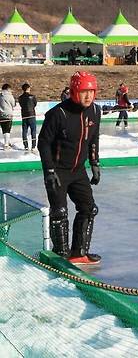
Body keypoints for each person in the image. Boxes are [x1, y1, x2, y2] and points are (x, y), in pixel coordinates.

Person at [37, 71, 103, 265]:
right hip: (57, 171)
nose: (88, 96)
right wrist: (49, 170)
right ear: (74, 91)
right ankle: (62, 255)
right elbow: (43, 143)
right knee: (60, 212)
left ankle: (79, 251)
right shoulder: (59, 113)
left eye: (91, 91)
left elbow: (93, 140)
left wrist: (94, 163)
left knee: (89, 208)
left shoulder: (96, 111)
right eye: (84, 91)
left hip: (78, 171)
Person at [18, 83, 37, 151]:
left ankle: (26, 146)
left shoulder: (20, 97)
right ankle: (33, 146)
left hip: (24, 116)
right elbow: (35, 104)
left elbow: (21, 105)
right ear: (28, 88)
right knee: (33, 131)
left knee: (24, 131)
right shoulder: (32, 96)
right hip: (31, 115)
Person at [0, 84, 16, 150]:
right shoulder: (10, 96)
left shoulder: (0, 95)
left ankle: (7, 141)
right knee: (8, 130)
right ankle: (6, 145)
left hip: (1, 115)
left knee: (4, 129)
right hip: (8, 114)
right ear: (7, 89)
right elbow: (13, 104)